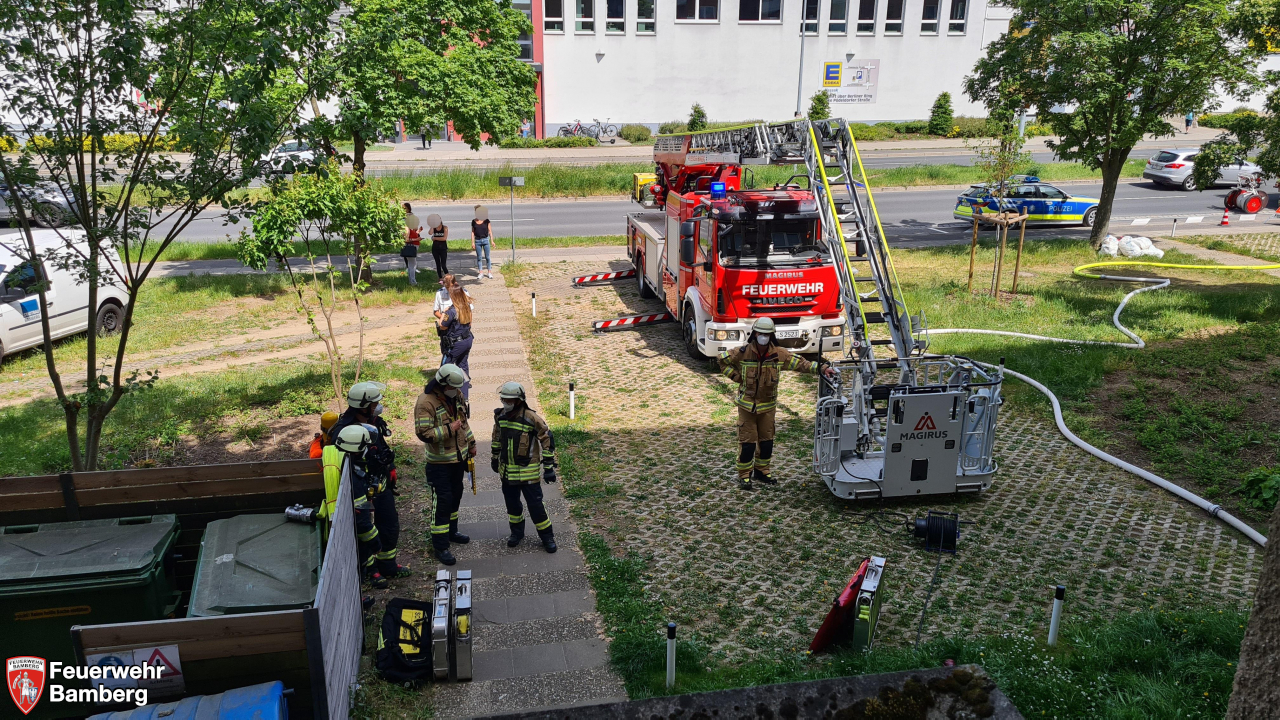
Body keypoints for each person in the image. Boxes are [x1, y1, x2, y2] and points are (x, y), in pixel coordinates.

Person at [718, 317, 835, 490]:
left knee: (767, 443)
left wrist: (822, 368)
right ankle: (744, 475)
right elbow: (722, 361)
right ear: (754, 334)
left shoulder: (779, 354)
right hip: (747, 407)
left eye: (767, 334)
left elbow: (802, 364)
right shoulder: (742, 352)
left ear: (771, 335)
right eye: (760, 333)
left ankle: (762, 471)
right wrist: (735, 376)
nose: (763, 337)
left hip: (767, 408)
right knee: (748, 444)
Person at [331, 381, 409, 587]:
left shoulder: (373, 422)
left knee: (389, 523)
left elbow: (381, 447)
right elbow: (343, 464)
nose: (377, 407)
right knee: (365, 530)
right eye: (374, 404)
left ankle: (388, 565)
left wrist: (390, 467)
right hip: (360, 489)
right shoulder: (344, 431)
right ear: (363, 406)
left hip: (380, 483)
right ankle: (371, 570)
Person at [414, 364, 476, 566]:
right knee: (442, 502)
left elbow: (463, 423)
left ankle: (452, 531)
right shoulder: (425, 403)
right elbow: (424, 434)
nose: (457, 391)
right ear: (442, 384)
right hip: (439, 463)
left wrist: (471, 443)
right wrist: (449, 428)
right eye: (453, 387)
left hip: (458, 459)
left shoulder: (456, 395)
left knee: (455, 496)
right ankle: (440, 546)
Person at [492, 382, 558, 553]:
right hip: (507, 474)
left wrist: (549, 467)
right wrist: (494, 457)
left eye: (508, 400)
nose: (505, 402)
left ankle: (547, 537)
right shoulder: (501, 417)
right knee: (513, 507)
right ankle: (516, 533)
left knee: (536, 507)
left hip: (528, 474)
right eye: (503, 399)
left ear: (518, 400)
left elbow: (547, 439)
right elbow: (497, 437)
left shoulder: (531, 418)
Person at [437, 283, 474, 399]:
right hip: (467, 340)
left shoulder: (451, 311)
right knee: (463, 366)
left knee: (445, 368)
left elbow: (442, 326)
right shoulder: (466, 307)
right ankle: (464, 395)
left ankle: (443, 395)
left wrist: (444, 312)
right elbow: (470, 323)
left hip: (455, 344)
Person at [401, 203, 422, 286]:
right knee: (412, 265)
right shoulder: (406, 228)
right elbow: (407, 239)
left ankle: (411, 281)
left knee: (411, 264)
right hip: (412, 245)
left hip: (414, 245)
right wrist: (417, 239)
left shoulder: (410, 228)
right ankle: (413, 282)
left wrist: (418, 232)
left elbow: (414, 233)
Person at [471, 206, 493, 280]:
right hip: (477, 241)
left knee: (487, 257)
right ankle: (481, 273)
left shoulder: (486, 220)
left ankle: (489, 272)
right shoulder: (473, 221)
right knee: (479, 257)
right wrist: (472, 242)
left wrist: (492, 241)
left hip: (486, 240)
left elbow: (490, 231)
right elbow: (473, 232)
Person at [427, 213, 449, 279]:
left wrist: (435, 238)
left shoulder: (445, 228)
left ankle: (449, 277)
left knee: (443, 265)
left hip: (443, 248)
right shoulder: (434, 228)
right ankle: (440, 278)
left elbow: (444, 238)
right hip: (435, 248)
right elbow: (430, 233)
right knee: (438, 264)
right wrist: (432, 225)